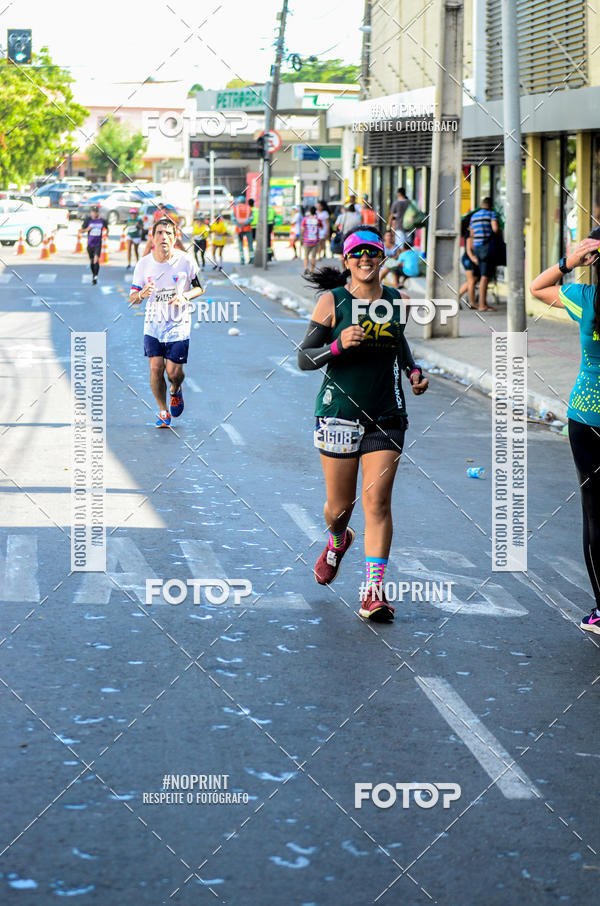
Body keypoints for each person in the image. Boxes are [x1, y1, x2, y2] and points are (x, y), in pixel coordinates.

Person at [297, 226, 429, 621]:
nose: (366, 259)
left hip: (388, 414)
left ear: (383, 258)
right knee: (340, 509)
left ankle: (373, 592)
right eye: (358, 253)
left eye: (373, 252)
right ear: (346, 261)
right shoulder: (332, 301)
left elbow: (398, 342)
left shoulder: (396, 300)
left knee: (377, 502)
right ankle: (339, 540)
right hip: (338, 412)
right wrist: (338, 345)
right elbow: (304, 359)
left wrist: (413, 370)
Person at [530, 231, 600, 635]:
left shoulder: (588, 300)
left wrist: (571, 261)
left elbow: (539, 287)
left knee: (595, 514)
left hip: (588, 417)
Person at [129, 218, 204, 429]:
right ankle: (163, 411)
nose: (164, 237)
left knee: (173, 373)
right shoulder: (143, 264)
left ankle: (175, 390)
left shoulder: (186, 261)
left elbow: (201, 287)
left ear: (175, 238)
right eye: (160, 233)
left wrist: (186, 296)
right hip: (153, 324)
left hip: (178, 324)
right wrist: (141, 295)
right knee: (155, 368)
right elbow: (132, 296)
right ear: (153, 237)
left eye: (169, 233)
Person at [468, 197, 499, 311]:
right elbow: (495, 228)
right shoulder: (492, 214)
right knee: (485, 277)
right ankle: (482, 305)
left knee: (481, 276)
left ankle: (479, 303)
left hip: (477, 248)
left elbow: (472, 234)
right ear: (490, 205)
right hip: (487, 248)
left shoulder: (473, 216)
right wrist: (499, 232)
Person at [81, 204, 108, 284]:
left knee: (96, 259)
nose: (95, 213)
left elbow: (107, 228)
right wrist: (87, 229)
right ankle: (93, 274)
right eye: (93, 212)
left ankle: (95, 277)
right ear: (91, 212)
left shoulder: (102, 220)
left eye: (96, 212)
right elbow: (81, 230)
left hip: (98, 243)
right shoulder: (88, 220)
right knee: (92, 261)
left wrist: (106, 234)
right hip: (90, 244)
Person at [233, 195, 253, 264]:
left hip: (239, 229)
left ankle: (242, 260)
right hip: (248, 229)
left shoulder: (235, 208)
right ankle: (252, 259)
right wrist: (245, 224)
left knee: (240, 245)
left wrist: (239, 225)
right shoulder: (249, 208)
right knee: (250, 244)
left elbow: (233, 219)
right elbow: (251, 219)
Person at [301, 206, 320, 275]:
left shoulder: (305, 219)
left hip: (307, 240)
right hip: (315, 240)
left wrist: (302, 237)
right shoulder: (317, 219)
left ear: (309, 212)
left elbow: (302, 229)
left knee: (306, 255)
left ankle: (306, 268)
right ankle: (312, 270)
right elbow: (320, 227)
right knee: (313, 256)